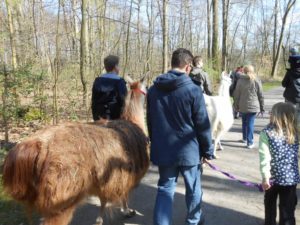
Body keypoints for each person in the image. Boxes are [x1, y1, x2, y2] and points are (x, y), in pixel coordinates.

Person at [147, 48, 214, 225]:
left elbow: (151, 122)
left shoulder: (153, 90)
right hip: (189, 150)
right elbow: (202, 124)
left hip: (165, 149)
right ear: (187, 66)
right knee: (193, 188)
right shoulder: (193, 90)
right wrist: (207, 150)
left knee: (165, 189)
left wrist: (156, 143)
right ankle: (193, 221)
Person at [258, 102, 299, 225]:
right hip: (290, 179)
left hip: (272, 179)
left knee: (270, 206)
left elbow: (264, 157)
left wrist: (265, 177)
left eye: (271, 112)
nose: (269, 114)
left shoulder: (266, 133)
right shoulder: (295, 131)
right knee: (288, 209)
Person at [233, 65, 264, 149]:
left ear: (244, 71)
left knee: (244, 122)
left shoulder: (240, 80)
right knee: (250, 123)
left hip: (242, 106)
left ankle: (244, 138)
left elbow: (236, 94)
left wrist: (235, 105)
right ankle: (250, 142)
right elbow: (260, 95)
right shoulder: (256, 80)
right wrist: (262, 107)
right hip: (253, 106)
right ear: (252, 71)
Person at [91, 55, 127, 121]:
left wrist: (95, 118)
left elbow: (94, 102)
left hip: (99, 118)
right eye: (118, 65)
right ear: (115, 67)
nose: (119, 68)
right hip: (115, 120)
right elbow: (123, 101)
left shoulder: (97, 81)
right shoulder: (120, 82)